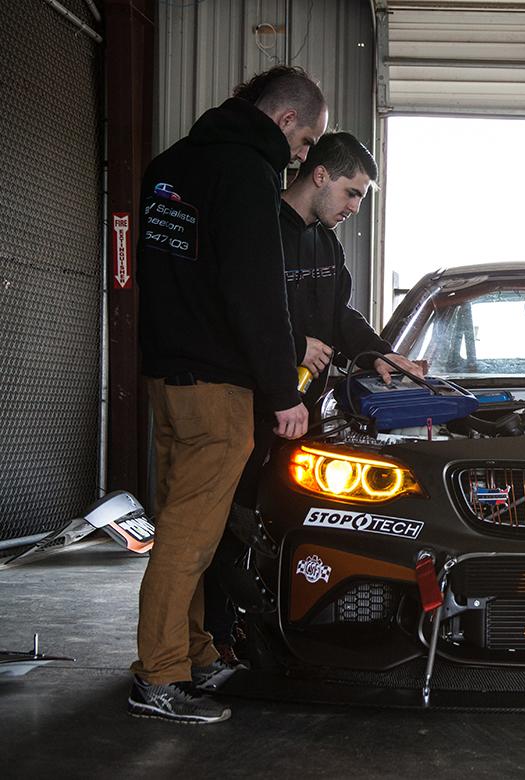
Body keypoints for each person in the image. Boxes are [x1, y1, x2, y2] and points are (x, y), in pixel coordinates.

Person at [129, 66, 328, 724]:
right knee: (190, 537)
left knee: (185, 525)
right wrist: (282, 392)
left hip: (166, 375)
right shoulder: (244, 173)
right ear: (286, 121)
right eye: (304, 145)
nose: (300, 159)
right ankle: (160, 676)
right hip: (214, 385)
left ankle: (192, 653)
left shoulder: (170, 165)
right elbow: (255, 294)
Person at [201, 133, 425, 664]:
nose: (354, 207)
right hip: (249, 406)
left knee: (276, 524)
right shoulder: (258, 231)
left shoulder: (325, 243)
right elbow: (235, 312)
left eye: (361, 198)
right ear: (320, 175)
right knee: (222, 527)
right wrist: (294, 347)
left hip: (303, 415)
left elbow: (339, 316)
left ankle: (271, 630)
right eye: (352, 193)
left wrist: (377, 355)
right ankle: (214, 640)